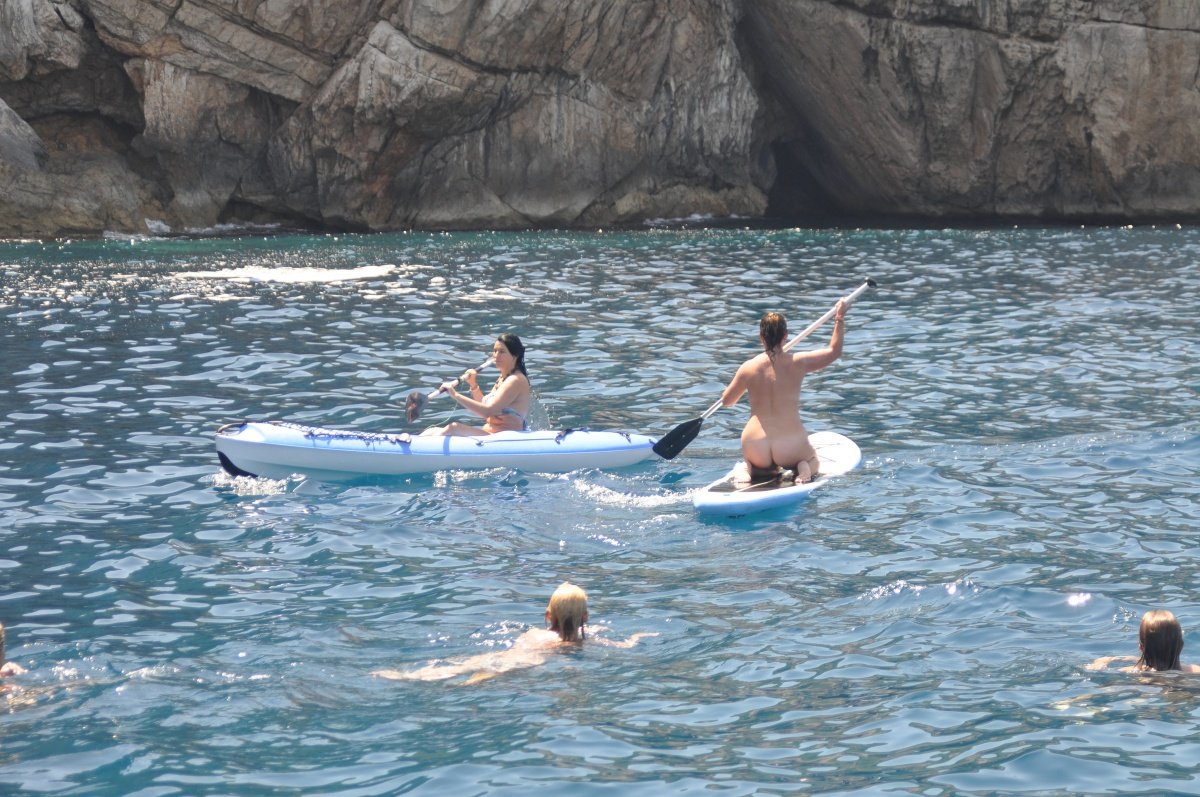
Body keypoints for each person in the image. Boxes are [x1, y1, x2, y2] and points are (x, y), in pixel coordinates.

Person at [372, 582, 656, 685]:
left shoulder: (536, 633)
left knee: (463, 665)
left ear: (548, 615)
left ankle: (404, 675)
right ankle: (472, 681)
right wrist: (638, 637)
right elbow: (622, 646)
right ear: (585, 616)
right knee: (487, 675)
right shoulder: (581, 643)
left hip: (510, 653)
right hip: (531, 662)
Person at [719, 299, 850, 484]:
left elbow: (727, 401)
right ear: (785, 336)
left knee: (758, 468)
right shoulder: (798, 362)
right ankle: (803, 469)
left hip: (755, 444)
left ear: (761, 337)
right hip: (789, 444)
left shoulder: (748, 368)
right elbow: (834, 351)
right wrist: (839, 317)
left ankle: (748, 470)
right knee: (812, 460)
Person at [420, 333, 532, 437]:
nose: (496, 355)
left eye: (502, 352)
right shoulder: (503, 378)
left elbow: (487, 411)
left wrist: (455, 395)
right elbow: (483, 405)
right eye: (495, 351)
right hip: (490, 434)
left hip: (503, 438)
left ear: (515, 356)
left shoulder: (515, 380)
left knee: (453, 427)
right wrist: (473, 384)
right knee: (431, 430)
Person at [1087, 609, 1200, 673]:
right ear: (1181, 646)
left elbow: (1104, 667)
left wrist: (1099, 663)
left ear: (1141, 648)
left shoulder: (1135, 672)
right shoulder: (1194, 670)